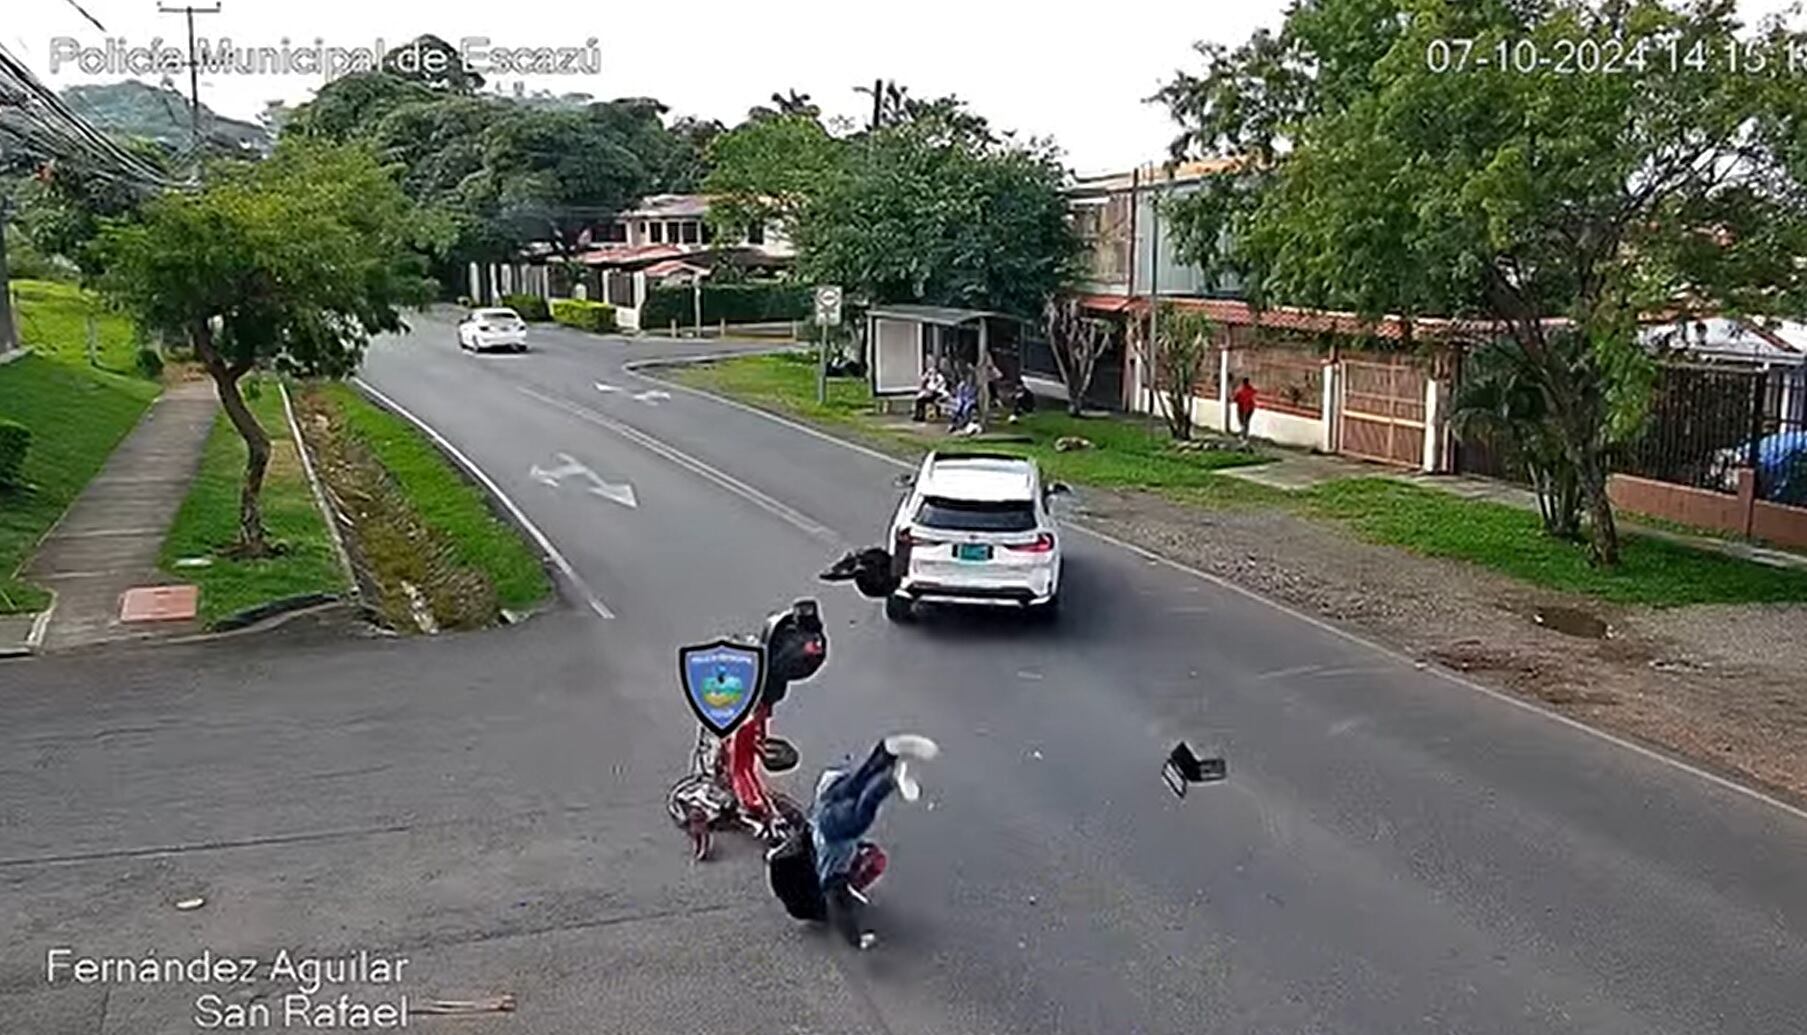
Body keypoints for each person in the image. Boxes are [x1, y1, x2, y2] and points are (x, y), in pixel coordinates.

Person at [769, 733, 940, 949]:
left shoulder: (832, 874)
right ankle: (887, 750)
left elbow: (839, 907)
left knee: (862, 812)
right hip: (824, 801)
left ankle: (892, 779)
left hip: (834, 831)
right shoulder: (805, 846)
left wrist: (855, 940)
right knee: (857, 783)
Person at [1232, 376, 1258, 443]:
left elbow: (1235, 399)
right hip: (1250, 408)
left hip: (1243, 408)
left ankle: (1243, 436)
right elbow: (1255, 394)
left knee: (1243, 422)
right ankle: (1245, 435)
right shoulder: (1251, 390)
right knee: (1246, 422)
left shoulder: (1241, 391)